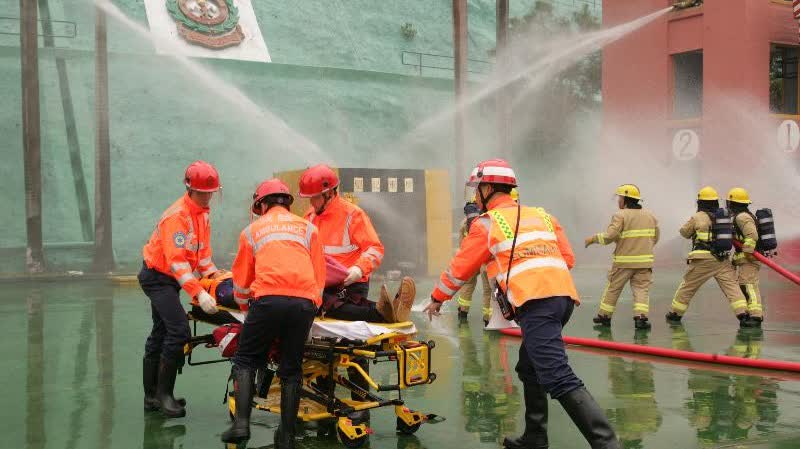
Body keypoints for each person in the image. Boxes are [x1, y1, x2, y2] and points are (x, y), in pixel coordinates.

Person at [424, 159, 619, 449]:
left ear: (488, 189)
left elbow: (460, 269)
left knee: (557, 376)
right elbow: (568, 258)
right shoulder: (543, 216)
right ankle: (535, 437)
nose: (475, 196)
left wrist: (437, 298)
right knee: (530, 368)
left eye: (477, 189)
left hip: (537, 303)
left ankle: (607, 444)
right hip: (562, 299)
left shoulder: (486, 224)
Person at [221, 179, 325, 448]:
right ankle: (287, 437)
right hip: (304, 303)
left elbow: (241, 283)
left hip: (267, 300)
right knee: (291, 369)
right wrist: (311, 306)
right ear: (287, 203)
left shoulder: (251, 231)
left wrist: (246, 310)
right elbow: (319, 276)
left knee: (245, 359)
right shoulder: (309, 228)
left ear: (262, 205)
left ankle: (241, 425)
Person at [139, 160, 223, 418]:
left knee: (161, 332)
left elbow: (202, 255)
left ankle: (153, 396)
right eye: (203, 193)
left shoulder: (202, 213)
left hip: (169, 279)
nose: (208, 197)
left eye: (211, 192)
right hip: (157, 277)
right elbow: (177, 263)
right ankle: (164, 396)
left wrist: (216, 277)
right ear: (190, 189)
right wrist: (199, 293)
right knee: (178, 330)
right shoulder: (178, 217)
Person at [298, 164, 415, 322]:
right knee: (320, 301)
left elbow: (375, 249)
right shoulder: (309, 217)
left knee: (326, 305)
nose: (312, 202)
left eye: (315, 197)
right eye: (310, 198)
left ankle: (382, 314)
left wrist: (358, 269)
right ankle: (389, 309)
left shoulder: (353, 215)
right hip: (324, 283)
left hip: (352, 281)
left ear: (329, 193)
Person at [666, 187, 749, 326]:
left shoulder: (698, 216)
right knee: (732, 288)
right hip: (722, 259)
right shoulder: (724, 217)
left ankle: (675, 314)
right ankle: (743, 315)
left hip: (702, 260)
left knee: (688, 287)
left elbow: (684, 233)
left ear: (700, 202)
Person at [585, 184, 659, 330]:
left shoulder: (620, 215)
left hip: (624, 263)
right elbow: (655, 237)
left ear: (625, 199)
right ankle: (641, 318)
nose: (618, 200)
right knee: (641, 290)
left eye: (620, 197)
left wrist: (592, 239)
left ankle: (604, 316)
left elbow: (609, 236)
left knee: (613, 288)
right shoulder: (650, 216)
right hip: (644, 263)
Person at [727, 187, 763, 328]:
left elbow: (752, 236)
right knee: (744, 286)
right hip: (745, 259)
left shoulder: (742, 217)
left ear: (733, 203)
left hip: (749, 259)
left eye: (730, 202)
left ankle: (756, 316)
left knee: (749, 286)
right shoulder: (741, 216)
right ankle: (751, 313)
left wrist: (748, 253)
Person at [455, 197, 493, 326]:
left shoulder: (464, 223)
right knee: (488, 290)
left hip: (470, 259)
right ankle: (488, 319)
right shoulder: (488, 220)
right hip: (485, 259)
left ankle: (462, 312)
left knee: (468, 284)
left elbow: (462, 245)